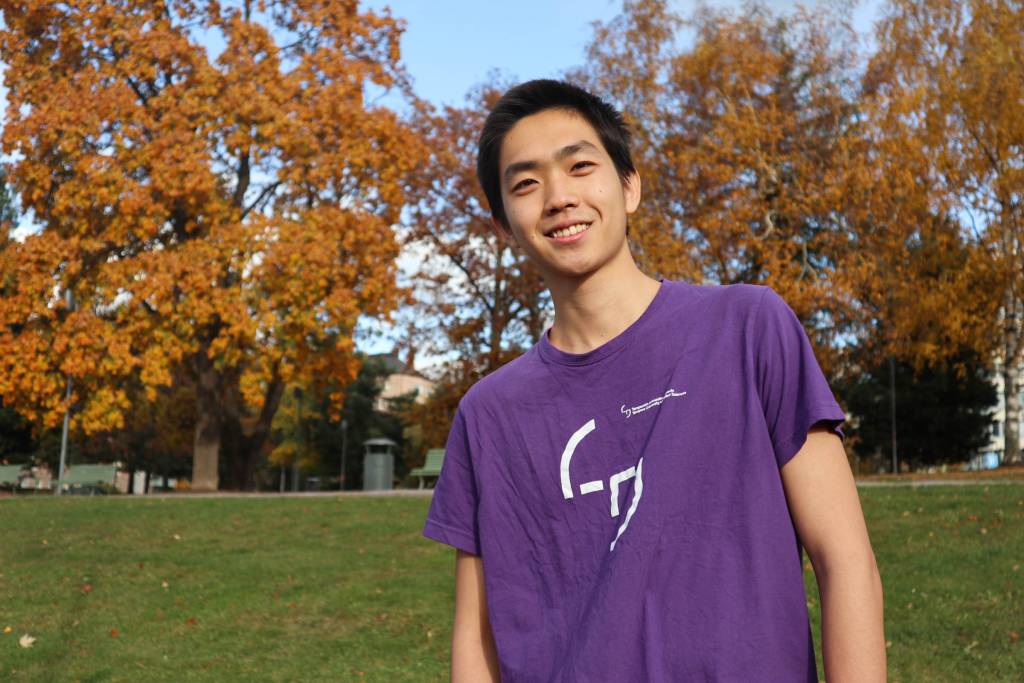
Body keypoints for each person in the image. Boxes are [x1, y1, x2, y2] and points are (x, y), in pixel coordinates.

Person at [421, 79, 886, 682]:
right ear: (504, 226)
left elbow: (845, 561)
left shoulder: (748, 328)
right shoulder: (489, 414)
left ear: (629, 186)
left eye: (581, 166)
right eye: (527, 183)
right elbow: (476, 639)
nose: (559, 197)